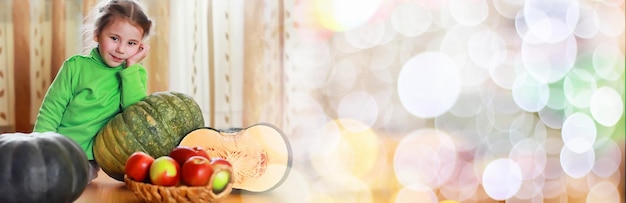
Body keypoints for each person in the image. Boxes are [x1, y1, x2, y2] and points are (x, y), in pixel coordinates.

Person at [33, 0, 153, 182]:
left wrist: (131, 67)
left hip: (89, 158)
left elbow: (134, 114)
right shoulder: (75, 67)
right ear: (97, 34)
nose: (121, 49)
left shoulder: (134, 74)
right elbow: (52, 109)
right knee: (31, 174)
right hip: (60, 146)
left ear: (140, 47)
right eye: (114, 38)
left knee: (64, 179)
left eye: (131, 43)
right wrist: (39, 147)